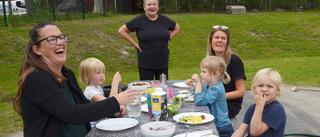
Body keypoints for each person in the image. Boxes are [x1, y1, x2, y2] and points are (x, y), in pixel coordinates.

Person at [12, 22, 138, 137]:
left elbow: (83, 103)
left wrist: (112, 111)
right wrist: (115, 102)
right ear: (37, 50)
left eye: (61, 37)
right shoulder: (37, 78)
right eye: (52, 39)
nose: (60, 42)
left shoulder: (66, 75)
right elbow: (71, 114)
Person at [118, 0, 180, 80]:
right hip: (145, 62)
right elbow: (122, 31)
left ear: (158, 6)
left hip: (162, 60)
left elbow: (177, 28)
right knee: (146, 88)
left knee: (162, 87)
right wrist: (134, 44)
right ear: (144, 7)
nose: (152, 7)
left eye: (154, 4)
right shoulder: (138, 20)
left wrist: (168, 39)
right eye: (149, 4)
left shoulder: (165, 20)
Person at [185, 56, 234, 137]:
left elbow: (199, 101)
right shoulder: (208, 85)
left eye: (204, 72)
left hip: (222, 128)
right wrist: (193, 87)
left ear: (214, 74)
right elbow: (202, 96)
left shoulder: (217, 89)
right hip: (215, 124)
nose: (201, 74)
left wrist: (198, 83)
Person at [207, 25, 246, 120]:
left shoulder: (234, 60)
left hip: (229, 105)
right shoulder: (209, 61)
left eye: (223, 38)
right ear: (211, 41)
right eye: (216, 37)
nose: (219, 40)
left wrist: (218, 96)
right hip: (214, 101)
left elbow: (241, 92)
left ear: (227, 42)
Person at [232, 68, 286, 137]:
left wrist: (259, 106)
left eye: (269, 86)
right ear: (254, 89)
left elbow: (255, 132)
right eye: (260, 85)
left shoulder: (276, 109)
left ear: (278, 90)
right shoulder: (252, 108)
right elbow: (240, 131)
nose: (264, 89)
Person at [79, 57, 127, 127]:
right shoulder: (90, 92)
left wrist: (118, 111)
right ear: (88, 75)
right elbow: (109, 104)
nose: (102, 75)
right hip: (96, 127)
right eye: (98, 73)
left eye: (103, 72)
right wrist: (115, 83)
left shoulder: (98, 88)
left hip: (104, 122)